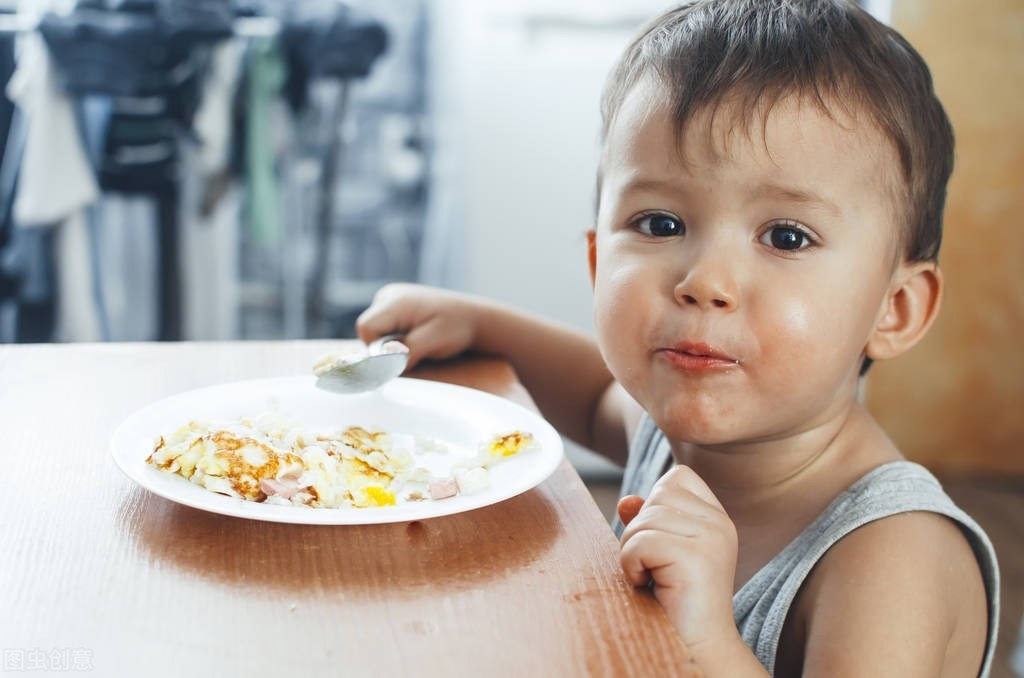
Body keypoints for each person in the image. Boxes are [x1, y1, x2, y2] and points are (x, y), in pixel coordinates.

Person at [356, 0, 999, 675]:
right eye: (661, 223)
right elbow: (597, 390)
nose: (705, 281)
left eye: (786, 237)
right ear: (599, 259)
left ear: (894, 309)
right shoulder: (676, 437)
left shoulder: (891, 558)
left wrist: (708, 644)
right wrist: (479, 323)